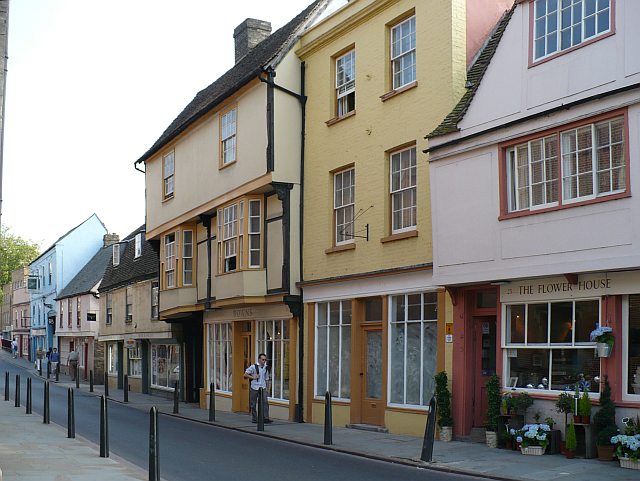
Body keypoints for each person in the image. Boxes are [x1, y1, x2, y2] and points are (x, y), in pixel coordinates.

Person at [244, 353, 272, 424]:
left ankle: (266, 418)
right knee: (253, 404)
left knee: (265, 402)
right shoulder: (253, 367)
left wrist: (268, 389)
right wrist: (253, 377)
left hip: (263, 387)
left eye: (265, 360)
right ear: (259, 359)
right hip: (254, 387)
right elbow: (245, 374)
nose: (264, 361)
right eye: (263, 359)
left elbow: (267, 379)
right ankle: (255, 419)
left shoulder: (266, 368)